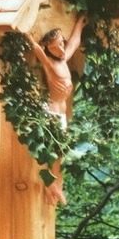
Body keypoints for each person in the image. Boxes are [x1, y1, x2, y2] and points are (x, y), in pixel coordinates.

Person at [25, 13, 87, 206]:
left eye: (61, 44)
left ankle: (55, 185)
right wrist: (26, 34)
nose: (60, 49)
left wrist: (80, 24)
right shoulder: (49, 63)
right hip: (51, 110)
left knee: (60, 151)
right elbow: (37, 50)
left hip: (61, 112)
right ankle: (51, 184)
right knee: (53, 150)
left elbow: (74, 43)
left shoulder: (63, 59)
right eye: (55, 47)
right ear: (48, 49)